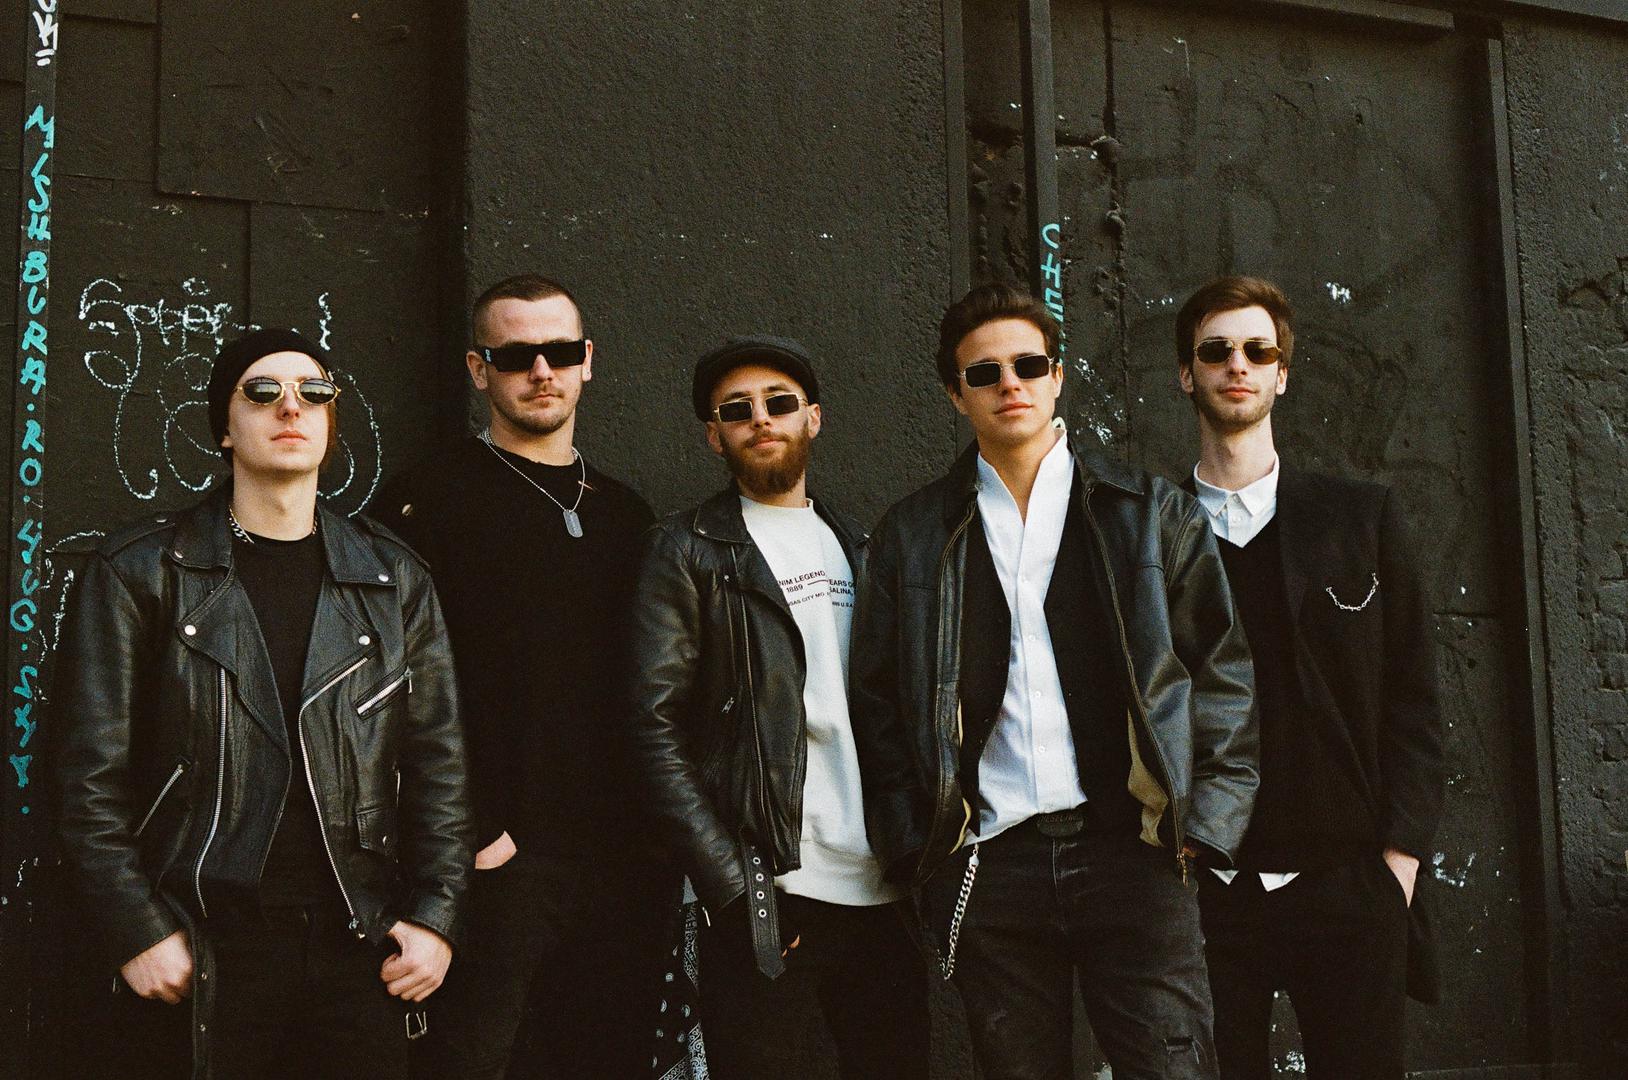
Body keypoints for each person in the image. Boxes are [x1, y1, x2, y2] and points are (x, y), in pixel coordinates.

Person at [851, 283, 1259, 1080]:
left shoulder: (1150, 512)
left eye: (1029, 365)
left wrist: (1205, 822)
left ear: (1058, 376)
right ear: (955, 394)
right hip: (990, 865)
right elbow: (877, 703)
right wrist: (919, 847)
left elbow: (1222, 671)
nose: (1010, 383)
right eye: (985, 372)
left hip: (1136, 855)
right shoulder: (912, 534)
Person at [54, 328, 471, 1080]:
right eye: (262, 391)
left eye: (314, 393)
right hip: (202, 944)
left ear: (332, 423)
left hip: (358, 943)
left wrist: (435, 919)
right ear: (225, 426)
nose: (291, 407)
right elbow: (88, 777)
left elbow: (438, 764)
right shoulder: (141, 571)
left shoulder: (392, 579)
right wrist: (136, 927)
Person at [372, 274, 670, 1079]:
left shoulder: (628, 515)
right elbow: (386, 684)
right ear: (479, 370)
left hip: (624, 864)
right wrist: (473, 830)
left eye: (560, 352)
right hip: (496, 864)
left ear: (587, 361)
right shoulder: (423, 503)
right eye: (515, 356)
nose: (542, 371)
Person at [628, 336, 930, 1078]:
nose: (760, 419)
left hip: (883, 887)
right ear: (714, 436)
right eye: (736, 410)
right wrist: (733, 888)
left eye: (779, 403)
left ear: (813, 418)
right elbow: (652, 729)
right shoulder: (687, 549)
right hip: (771, 892)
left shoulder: (863, 545)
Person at [1175, 275, 1444, 1080]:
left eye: (1259, 351)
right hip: (1209, 891)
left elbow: (1414, 700)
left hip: (1348, 885)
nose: (1238, 365)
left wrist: (1397, 865)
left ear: (1282, 374)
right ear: (1186, 374)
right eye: (1216, 351)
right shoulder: (1152, 530)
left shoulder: (1358, 519)